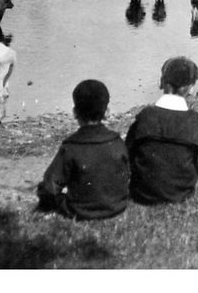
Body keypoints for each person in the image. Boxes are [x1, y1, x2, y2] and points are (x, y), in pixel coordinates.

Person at [37, 78, 130, 220]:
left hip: (79, 210)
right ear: (107, 112)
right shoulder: (117, 142)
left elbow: (51, 186)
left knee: (45, 190)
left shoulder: (71, 146)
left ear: (75, 112)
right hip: (117, 207)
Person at [126, 56, 198, 204]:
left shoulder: (145, 116)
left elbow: (129, 151)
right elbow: (197, 158)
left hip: (142, 192)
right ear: (191, 88)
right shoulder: (194, 121)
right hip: (182, 191)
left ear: (161, 83)